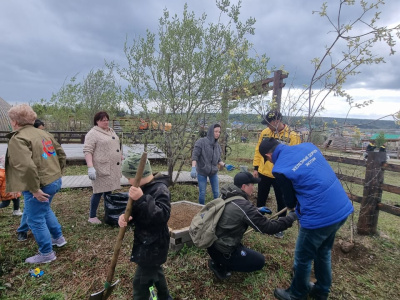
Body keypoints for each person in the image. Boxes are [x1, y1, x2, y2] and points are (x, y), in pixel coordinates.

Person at [258, 137, 354, 300]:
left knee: (303, 257)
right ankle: (321, 291)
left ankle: (297, 294)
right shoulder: (308, 147)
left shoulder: (280, 168)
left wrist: (295, 208)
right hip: (341, 208)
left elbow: (290, 202)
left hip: (319, 216)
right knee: (323, 252)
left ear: (268, 156)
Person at [206, 171, 298, 280]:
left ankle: (220, 259)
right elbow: (268, 227)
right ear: (244, 186)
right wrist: (290, 218)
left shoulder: (227, 193)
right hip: (223, 249)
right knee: (259, 261)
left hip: (212, 244)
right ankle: (220, 265)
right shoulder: (244, 206)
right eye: (252, 185)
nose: (253, 189)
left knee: (243, 249)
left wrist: (256, 210)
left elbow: (236, 210)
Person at [6, 104, 67, 264]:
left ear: (14, 121)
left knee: (34, 219)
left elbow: (25, 166)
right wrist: (58, 172)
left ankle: (46, 253)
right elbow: (61, 153)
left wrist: (34, 189)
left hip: (38, 185)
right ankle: (58, 238)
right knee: (45, 210)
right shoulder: (43, 133)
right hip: (53, 180)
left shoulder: (18, 138)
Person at [118, 154, 172, 300]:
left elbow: (162, 216)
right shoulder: (141, 188)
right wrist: (127, 218)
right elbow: (139, 212)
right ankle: (164, 296)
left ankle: (147, 297)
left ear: (137, 177)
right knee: (155, 272)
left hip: (154, 245)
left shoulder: (160, 189)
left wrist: (142, 198)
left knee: (141, 282)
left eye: (129, 178)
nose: (128, 182)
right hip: (145, 241)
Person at [253, 110, 301, 239]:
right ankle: (258, 222)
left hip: (281, 174)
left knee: (282, 200)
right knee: (261, 197)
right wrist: (256, 167)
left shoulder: (292, 136)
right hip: (264, 172)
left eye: (269, 123)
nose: (267, 126)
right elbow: (258, 151)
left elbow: (294, 157)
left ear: (276, 121)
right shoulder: (265, 133)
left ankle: (280, 227)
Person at [83, 111, 122, 224]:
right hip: (101, 167)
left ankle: (109, 211)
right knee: (98, 191)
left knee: (108, 190)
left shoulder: (110, 130)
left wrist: (119, 155)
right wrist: (90, 167)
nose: (105, 122)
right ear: (97, 121)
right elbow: (87, 151)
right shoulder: (93, 133)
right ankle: (92, 216)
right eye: (102, 120)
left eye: (106, 119)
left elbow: (113, 145)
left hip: (112, 167)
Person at [191, 123, 234, 205]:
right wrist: (193, 167)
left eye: (219, 132)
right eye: (216, 131)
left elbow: (218, 160)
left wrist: (225, 165)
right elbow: (195, 156)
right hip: (202, 171)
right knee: (202, 192)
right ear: (211, 132)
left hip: (213, 172)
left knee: (216, 192)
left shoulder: (217, 146)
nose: (218, 133)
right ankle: (201, 209)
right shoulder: (201, 142)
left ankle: (216, 209)